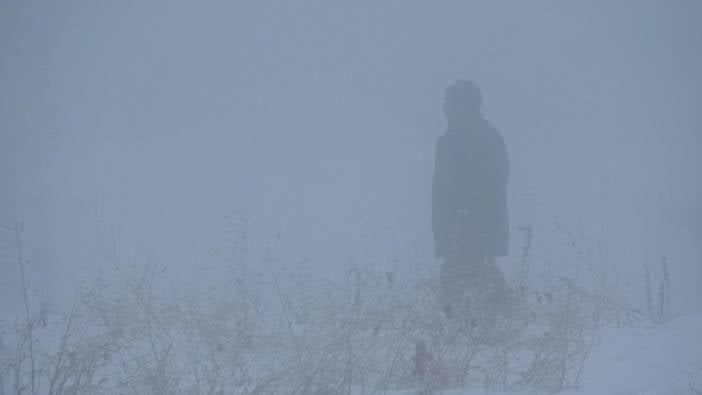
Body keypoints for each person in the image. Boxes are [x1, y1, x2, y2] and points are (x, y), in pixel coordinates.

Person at [432, 80, 510, 307]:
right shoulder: (451, 140)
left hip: (474, 231)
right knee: (461, 286)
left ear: (466, 105)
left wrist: (467, 220)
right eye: (446, 103)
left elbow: (494, 183)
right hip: (457, 230)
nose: (445, 108)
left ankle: (499, 326)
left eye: (450, 103)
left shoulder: (485, 138)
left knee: (473, 284)